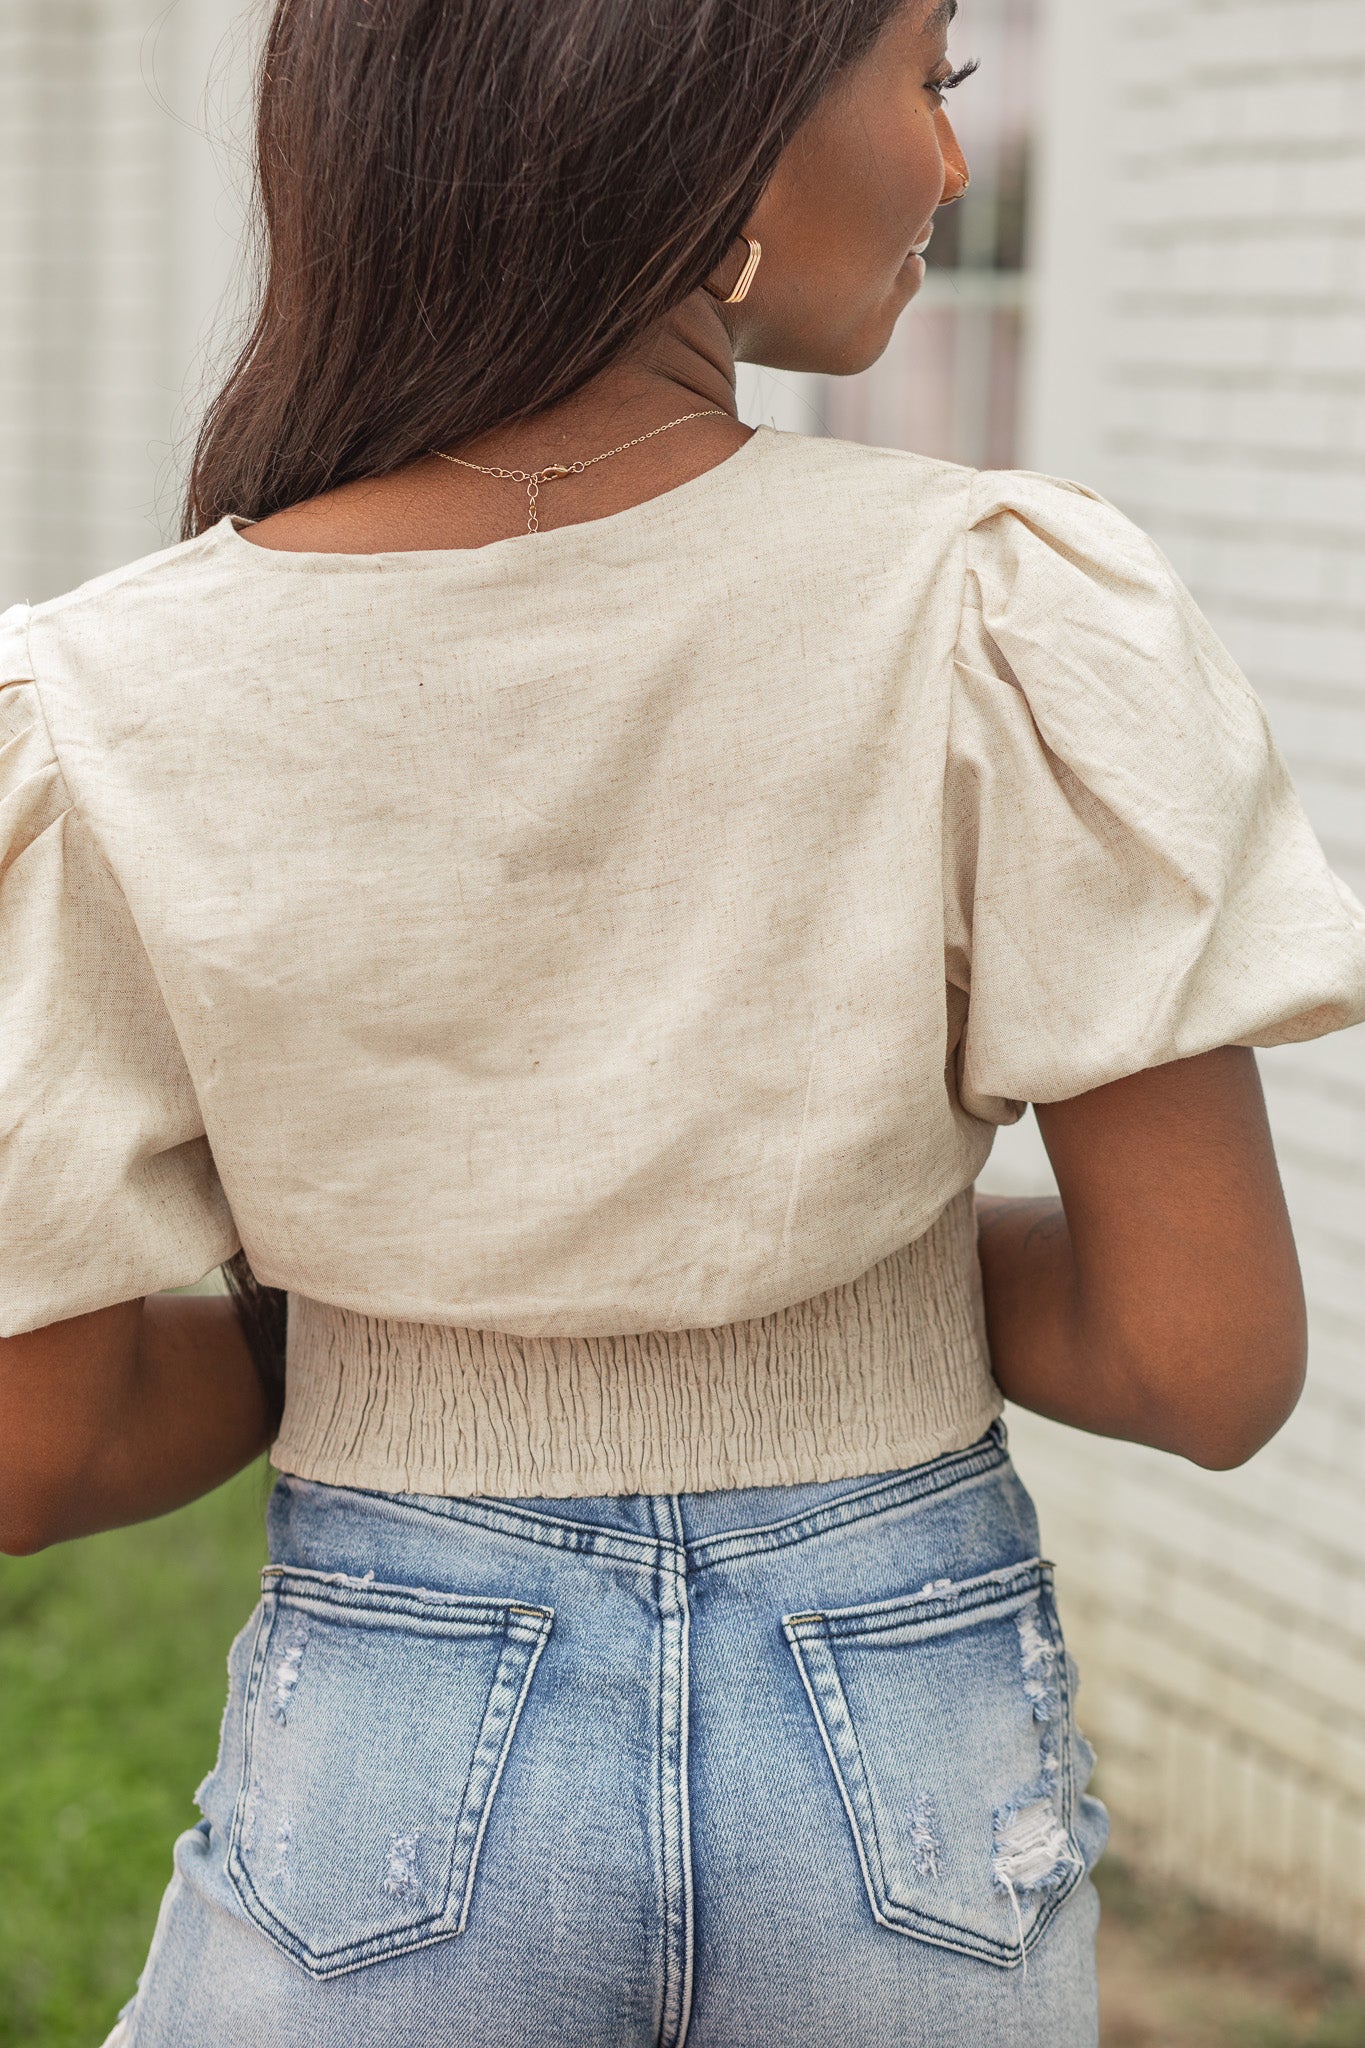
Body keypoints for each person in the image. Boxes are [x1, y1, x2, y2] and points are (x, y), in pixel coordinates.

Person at [2, 0, 1363, 2040]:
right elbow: (1200, 1354)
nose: (953, 164)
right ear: (710, 139)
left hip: (391, 1712)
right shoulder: (999, 609)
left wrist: (423, 1294)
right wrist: (817, 1275)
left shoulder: (101, 708)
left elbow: (45, 1435)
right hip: (905, 1726)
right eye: (933, 79)